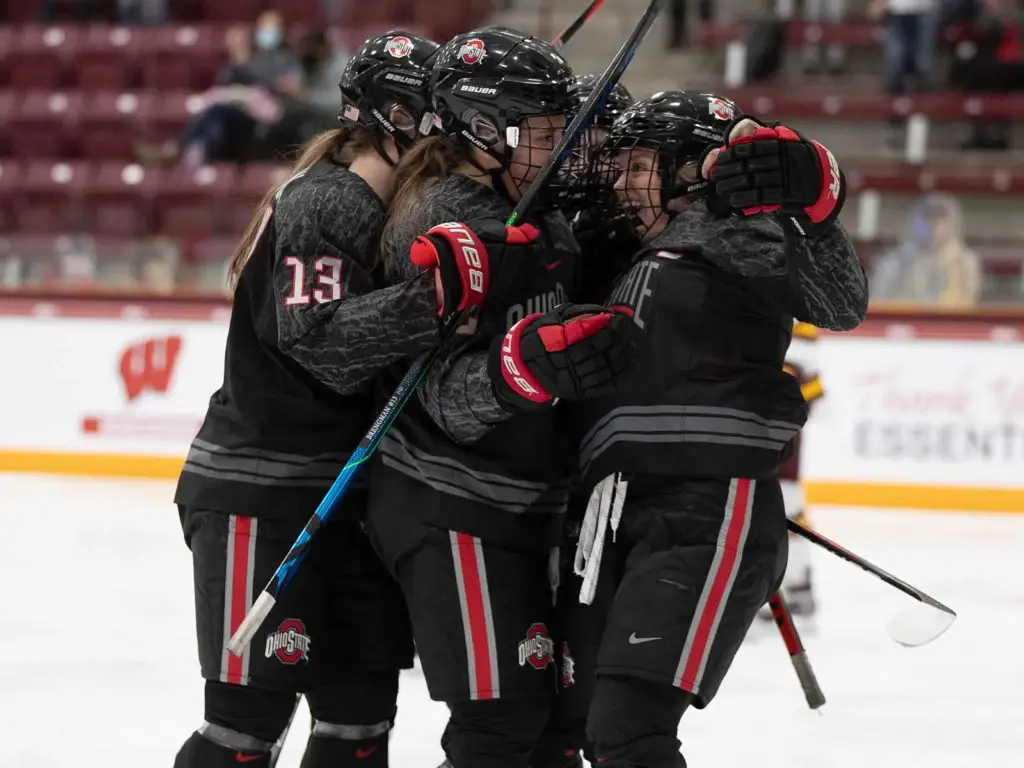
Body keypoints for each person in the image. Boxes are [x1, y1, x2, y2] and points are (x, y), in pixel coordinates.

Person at [557, 91, 867, 767]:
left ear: (694, 171)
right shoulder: (627, 249)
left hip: (704, 512)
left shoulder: (734, 231)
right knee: (586, 730)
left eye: (636, 164)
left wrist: (810, 199)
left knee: (628, 734)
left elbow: (840, 300)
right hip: (613, 516)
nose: (618, 180)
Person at [172, 31, 447, 768]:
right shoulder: (329, 199)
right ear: (398, 119)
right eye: (441, 115)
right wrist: (437, 301)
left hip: (349, 499)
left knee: (358, 729)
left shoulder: (377, 204)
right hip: (262, 497)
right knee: (243, 732)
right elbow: (318, 340)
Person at [365, 27, 636, 768]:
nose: (563, 151)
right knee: (499, 724)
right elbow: (442, 396)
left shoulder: (532, 204)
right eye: (548, 134)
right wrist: (523, 366)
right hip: (449, 500)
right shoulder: (440, 219)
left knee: (553, 730)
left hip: (519, 503)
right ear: (484, 129)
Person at [774, 320, 826, 617]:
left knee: (785, 506)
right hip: (758, 427)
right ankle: (790, 586)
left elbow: (802, 377)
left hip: (776, 431)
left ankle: (794, 585)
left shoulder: (798, 317)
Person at [870, 193, 981, 306]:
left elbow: (968, 303)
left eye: (940, 222)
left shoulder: (966, 262)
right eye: (928, 220)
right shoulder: (892, 262)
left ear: (952, 225)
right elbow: (879, 301)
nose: (934, 228)